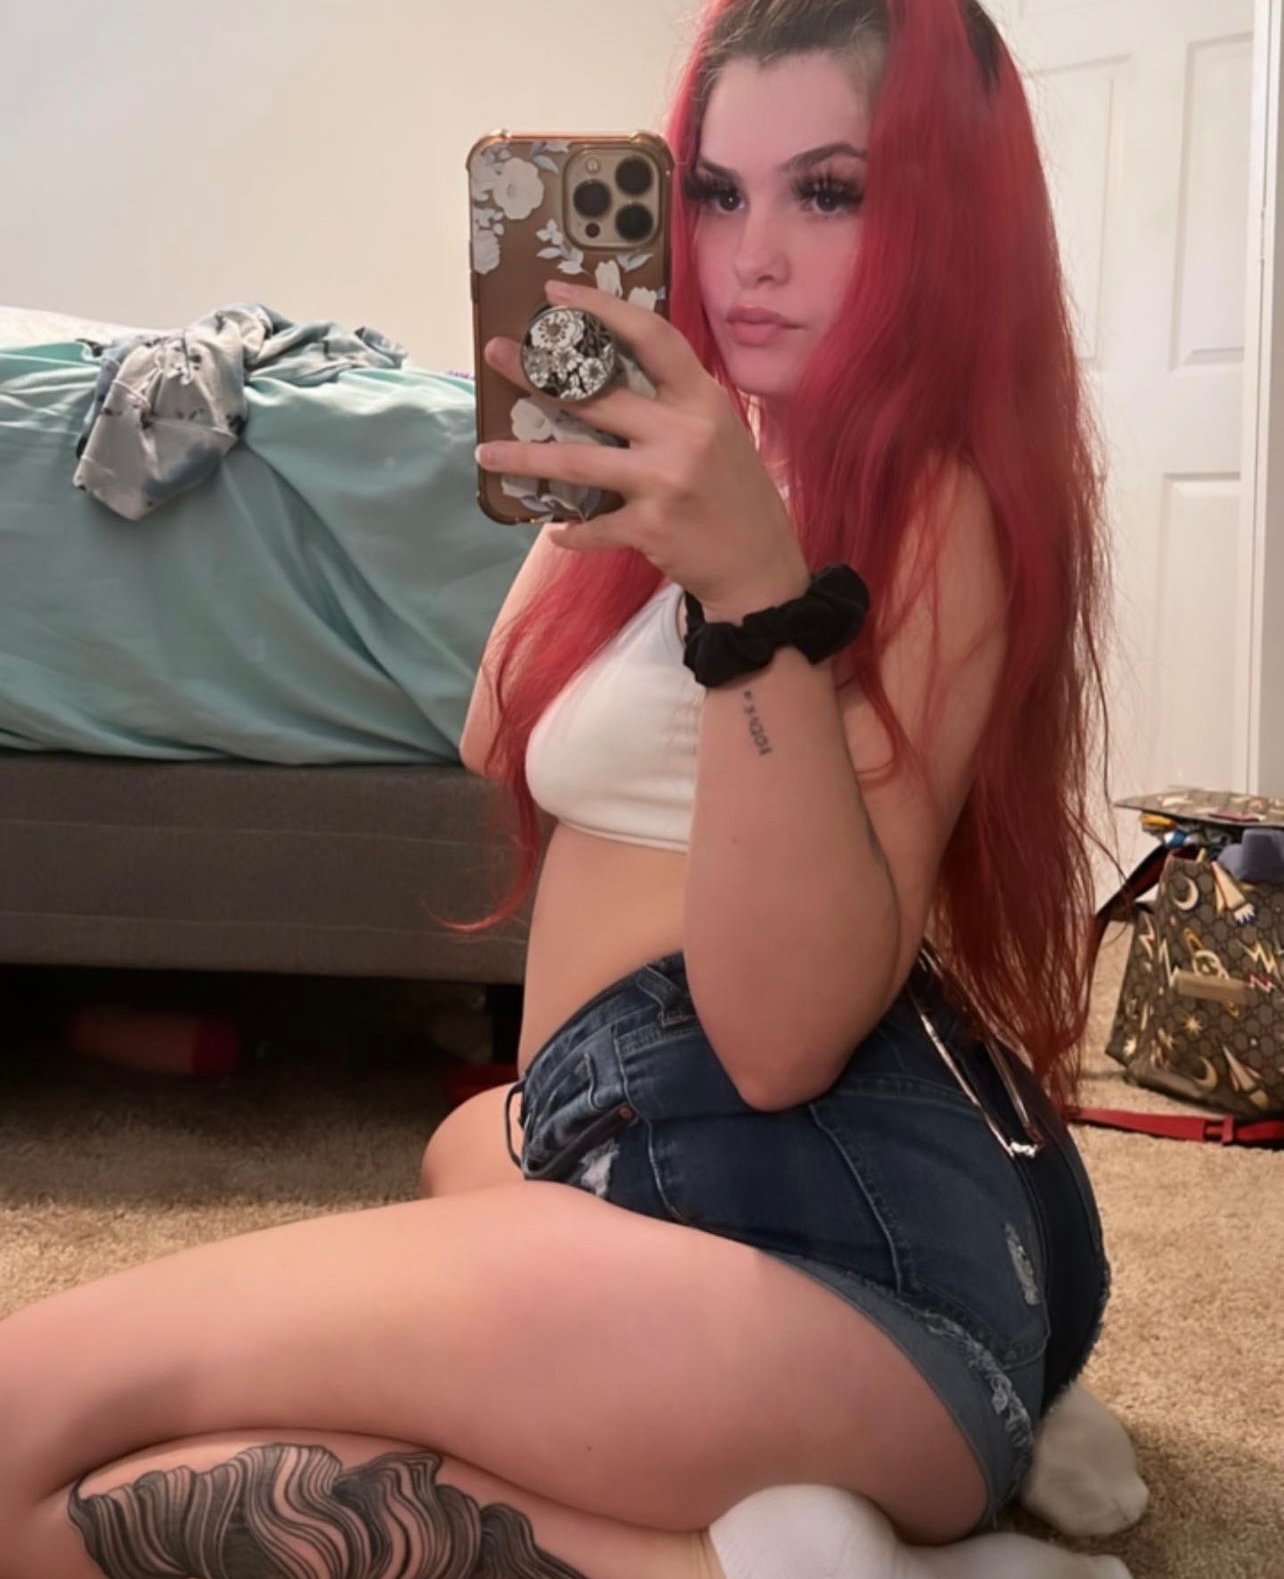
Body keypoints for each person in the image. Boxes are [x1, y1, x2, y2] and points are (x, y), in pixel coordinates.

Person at [0, 3, 1128, 1577]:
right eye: (715, 193)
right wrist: (583, 492)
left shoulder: (931, 509)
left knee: (27, 1438)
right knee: (463, 1154)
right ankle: (802, 1549)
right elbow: (497, 735)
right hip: (622, 1130)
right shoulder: (731, 457)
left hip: (818, 1219)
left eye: (829, 191)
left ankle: (881, 1495)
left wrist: (751, 592)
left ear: (944, 217)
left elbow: (777, 1038)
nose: (751, 257)